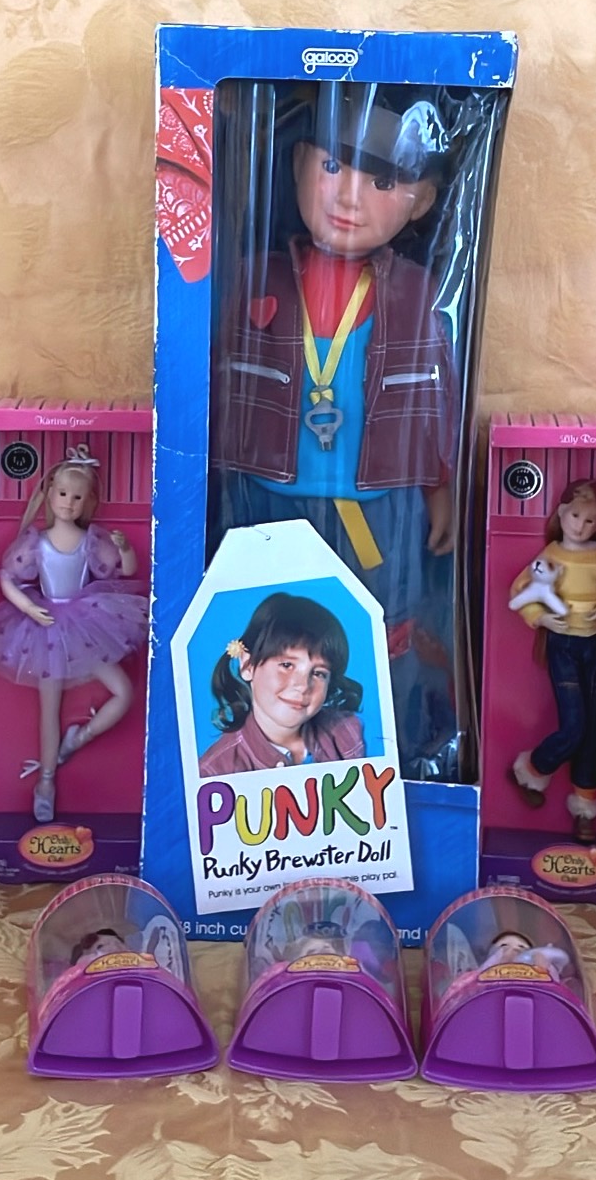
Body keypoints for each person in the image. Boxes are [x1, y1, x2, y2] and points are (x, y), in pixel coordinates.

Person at [210, 83, 464, 778]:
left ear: (422, 199)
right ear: (296, 166)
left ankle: (385, 759)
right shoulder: (251, 279)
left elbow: (437, 397)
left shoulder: (417, 294)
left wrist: (439, 482)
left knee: (384, 626)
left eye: (382, 182)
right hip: (266, 493)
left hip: (378, 504)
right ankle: (269, 766)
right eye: (330, 167)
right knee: (271, 631)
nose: (349, 196)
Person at [0, 447, 147, 822]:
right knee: (48, 709)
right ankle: (46, 782)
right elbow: (8, 578)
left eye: (77, 497)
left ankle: (79, 738)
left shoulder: (92, 541)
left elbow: (123, 571)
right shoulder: (36, 542)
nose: (69, 502)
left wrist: (124, 548)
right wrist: (27, 608)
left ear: (88, 502)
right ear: (50, 493)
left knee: (124, 691)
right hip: (46, 628)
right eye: (63, 494)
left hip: (86, 622)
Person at [507, 479, 596, 842]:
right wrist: (541, 618)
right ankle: (532, 767)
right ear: (561, 512)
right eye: (576, 516)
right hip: (562, 645)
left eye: (590, 520)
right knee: (575, 726)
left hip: (593, 646)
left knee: (594, 732)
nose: (581, 526)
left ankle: (585, 807)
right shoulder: (551, 554)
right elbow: (520, 591)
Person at [199, 592, 365, 777]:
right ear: (248, 665)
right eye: (286, 665)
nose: (303, 686)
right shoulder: (215, 771)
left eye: (318, 673)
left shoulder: (349, 732)